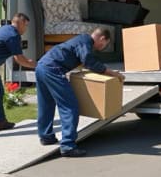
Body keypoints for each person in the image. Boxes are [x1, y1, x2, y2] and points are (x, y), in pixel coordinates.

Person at [36, 28, 125, 157]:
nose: (104, 47)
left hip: (41, 66)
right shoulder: (85, 41)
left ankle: (46, 136)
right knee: (69, 106)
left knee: (46, 103)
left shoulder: (81, 40)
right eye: (106, 44)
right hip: (53, 69)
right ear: (102, 39)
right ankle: (67, 145)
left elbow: (82, 60)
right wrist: (113, 73)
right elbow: (88, 61)